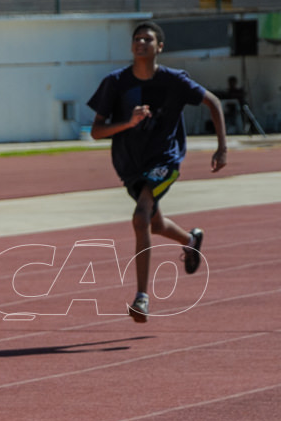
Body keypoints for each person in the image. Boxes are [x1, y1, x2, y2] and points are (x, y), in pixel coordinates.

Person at [87, 21, 227, 323]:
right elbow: (97, 132)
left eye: (147, 39)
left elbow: (213, 102)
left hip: (165, 159)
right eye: (136, 39)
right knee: (155, 222)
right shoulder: (115, 83)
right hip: (130, 165)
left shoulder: (174, 81)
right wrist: (128, 123)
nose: (141, 43)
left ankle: (141, 298)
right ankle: (190, 240)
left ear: (159, 47)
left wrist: (221, 148)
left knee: (141, 217)